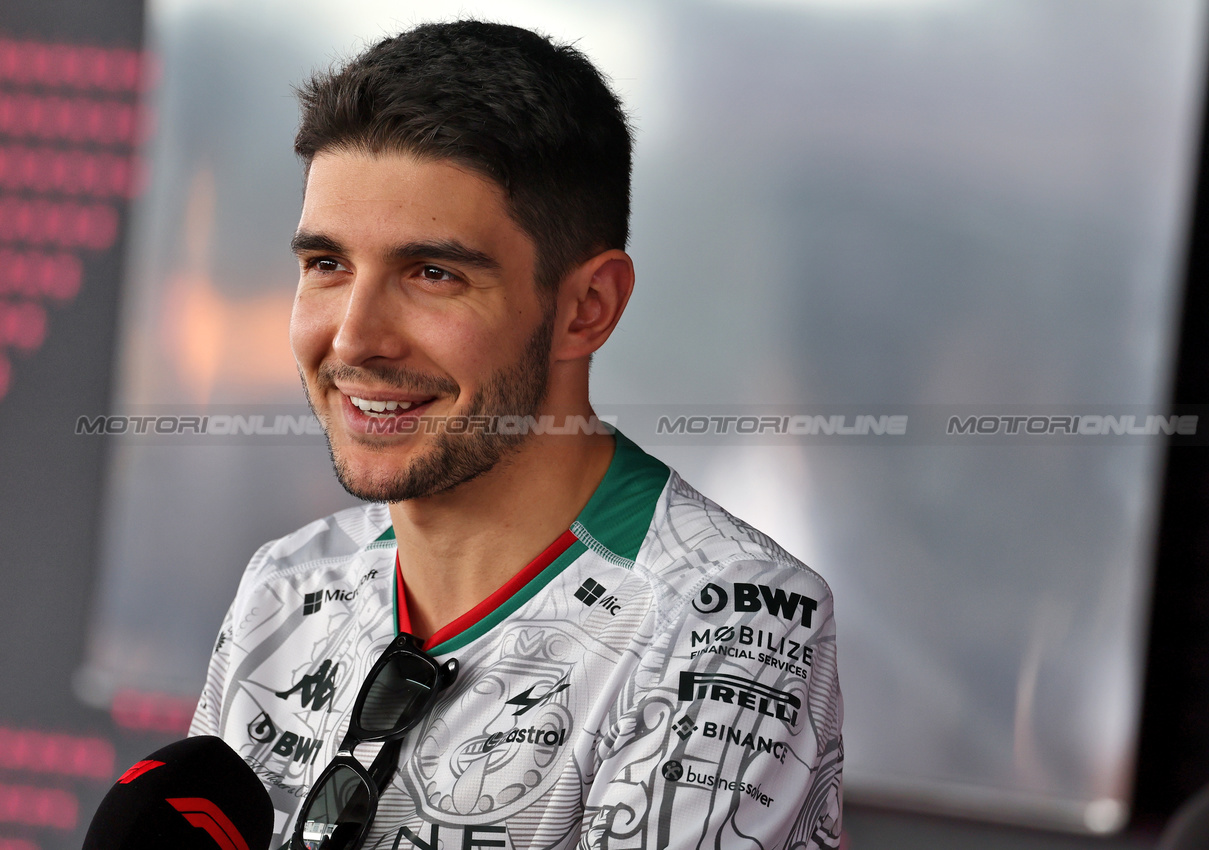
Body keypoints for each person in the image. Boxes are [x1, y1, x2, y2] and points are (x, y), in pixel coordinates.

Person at [191, 20, 843, 849]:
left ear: (587, 308)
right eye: (327, 265)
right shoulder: (285, 585)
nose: (354, 338)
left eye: (433, 273)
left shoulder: (732, 621)